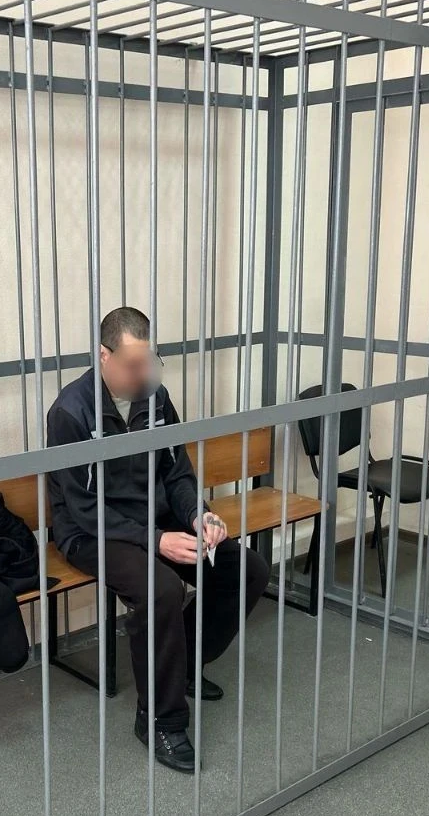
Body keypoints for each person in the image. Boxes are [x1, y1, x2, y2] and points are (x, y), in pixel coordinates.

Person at [46, 307, 270, 773]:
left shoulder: (156, 397)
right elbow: (84, 508)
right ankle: (160, 720)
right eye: (133, 365)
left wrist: (196, 514)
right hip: (91, 531)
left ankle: (182, 665)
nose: (143, 374)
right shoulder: (70, 412)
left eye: (149, 362)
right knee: (160, 589)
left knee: (245, 569)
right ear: (103, 356)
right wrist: (156, 539)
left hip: (154, 519)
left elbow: (177, 472)